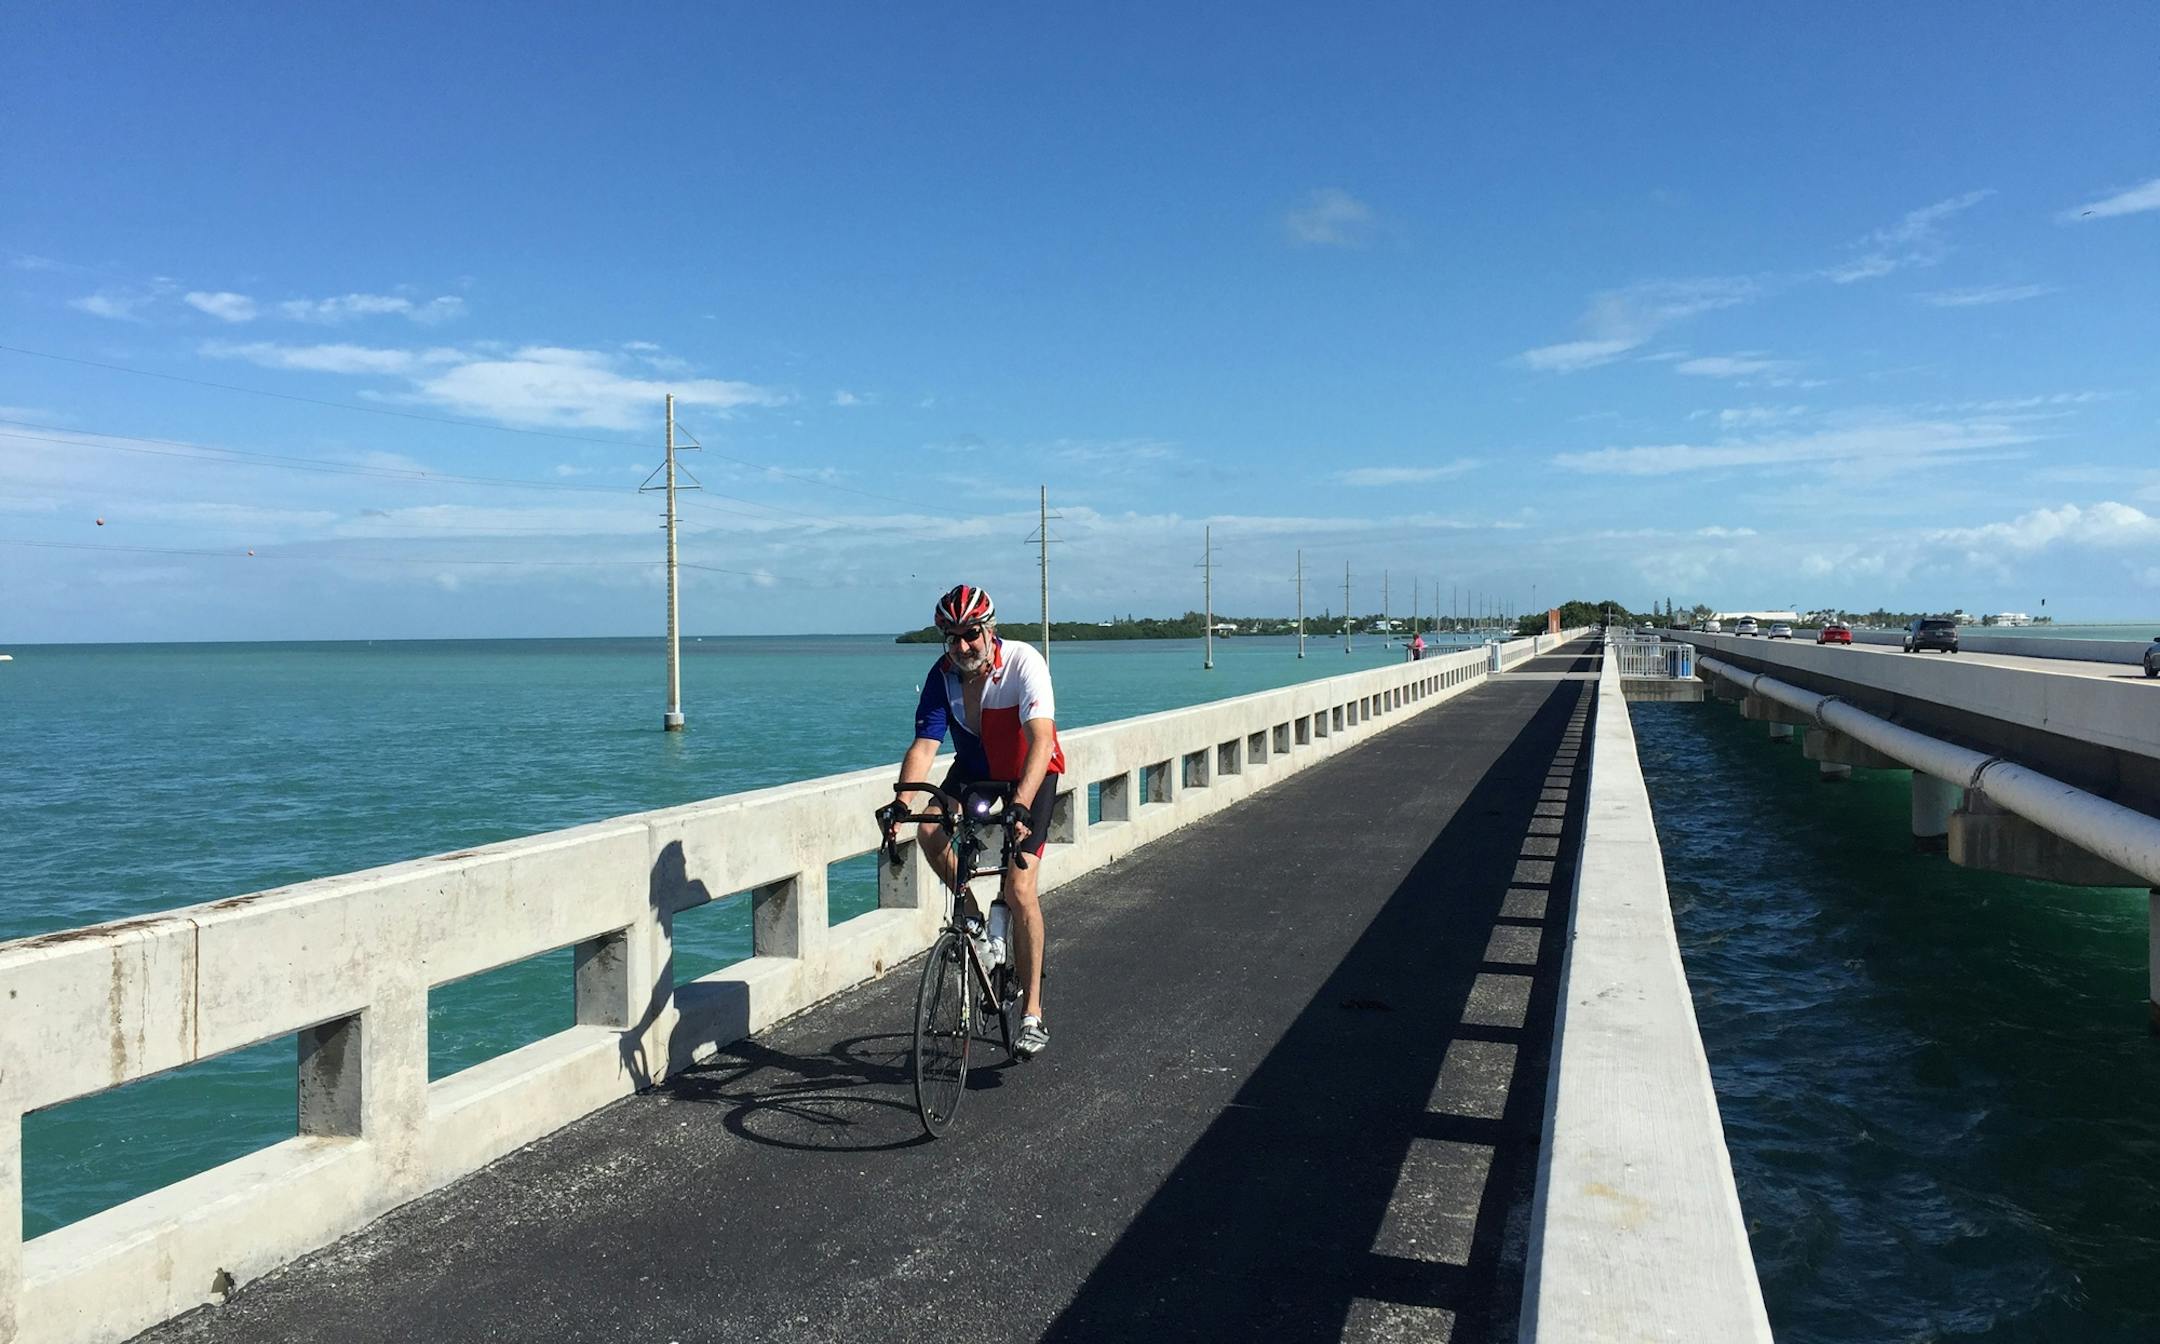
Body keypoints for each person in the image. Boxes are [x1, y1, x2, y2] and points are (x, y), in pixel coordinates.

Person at [893, 584, 1063, 1059]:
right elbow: (924, 747)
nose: (963, 646)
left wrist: (1021, 804)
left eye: (971, 634)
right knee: (929, 828)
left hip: (1029, 774)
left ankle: (1032, 1013)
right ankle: (970, 916)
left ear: (990, 630)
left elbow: (1042, 740)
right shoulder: (942, 676)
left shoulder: (1023, 662)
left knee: (1020, 889)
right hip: (975, 771)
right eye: (953, 637)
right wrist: (901, 804)